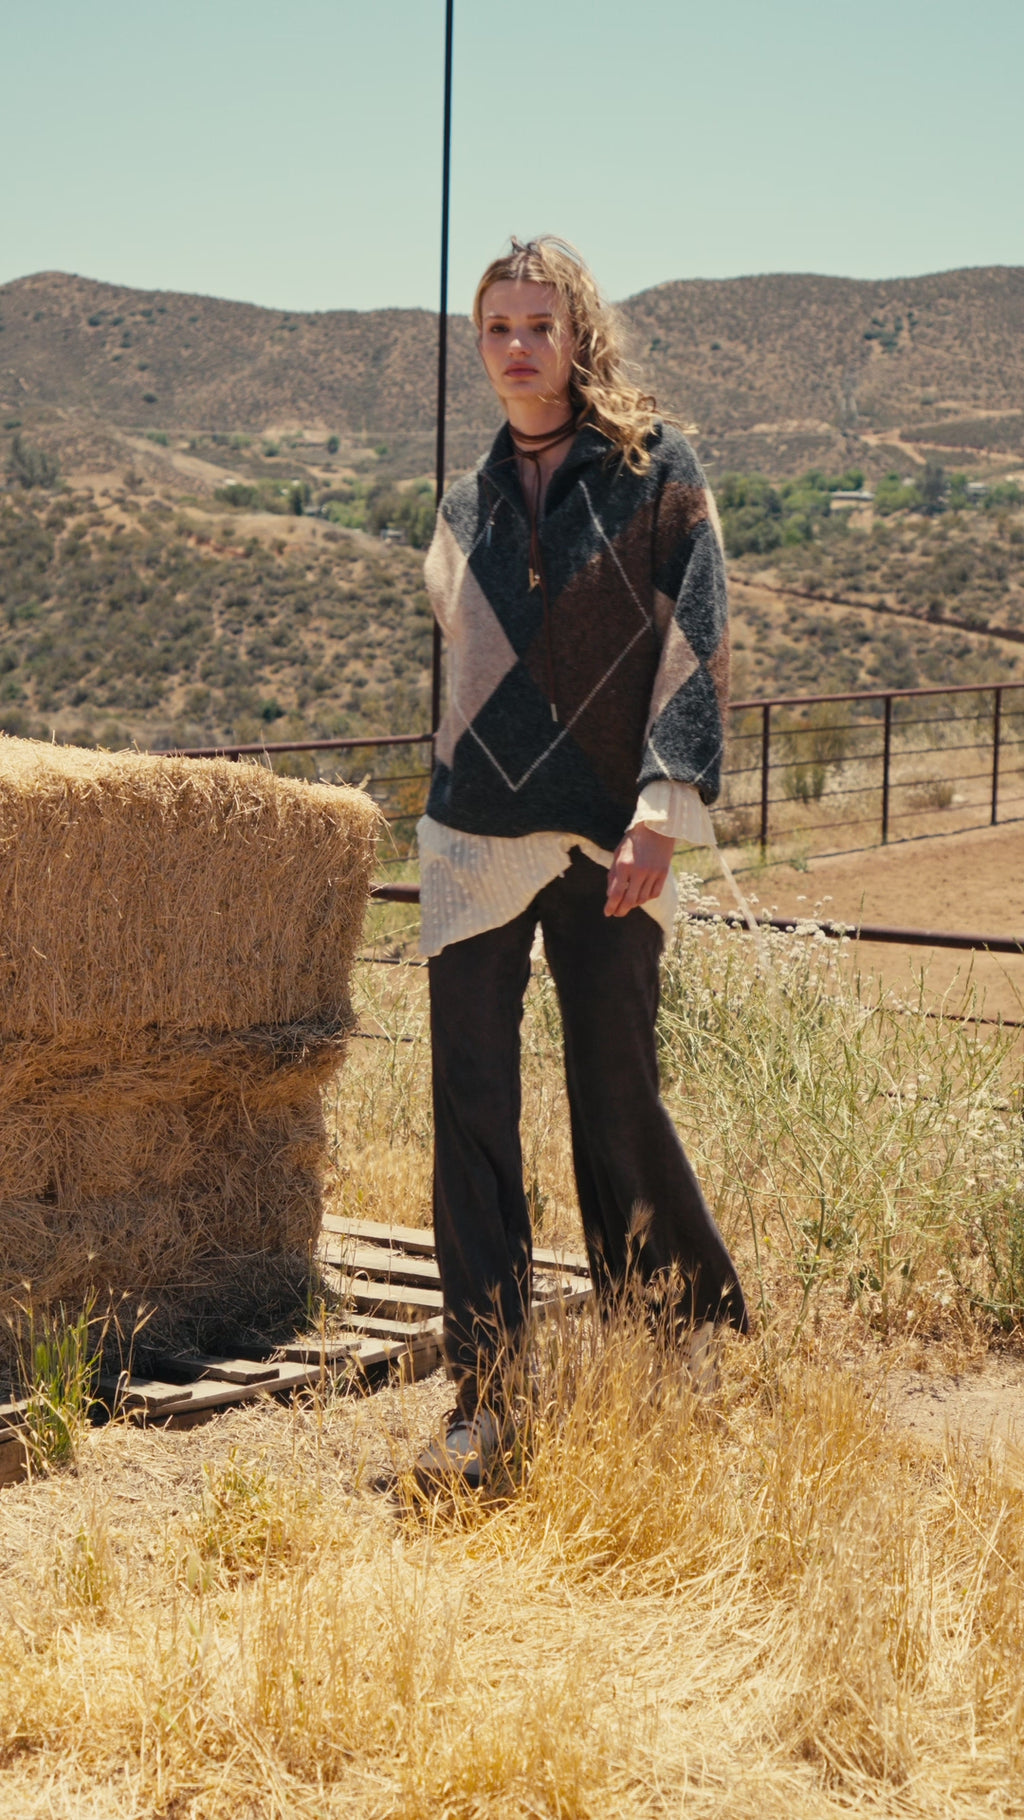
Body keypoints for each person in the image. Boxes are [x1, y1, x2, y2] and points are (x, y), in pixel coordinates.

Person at [412, 236, 748, 1492]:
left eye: (538, 326)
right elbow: (459, 665)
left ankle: (676, 1339)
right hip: (472, 838)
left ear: (577, 334)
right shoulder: (466, 500)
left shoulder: (656, 472)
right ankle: (486, 1394)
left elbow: (698, 631)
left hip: (613, 832)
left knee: (617, 1092)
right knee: (470, 1109)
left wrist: (664, 799)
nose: (516, 349)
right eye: (497, 327)